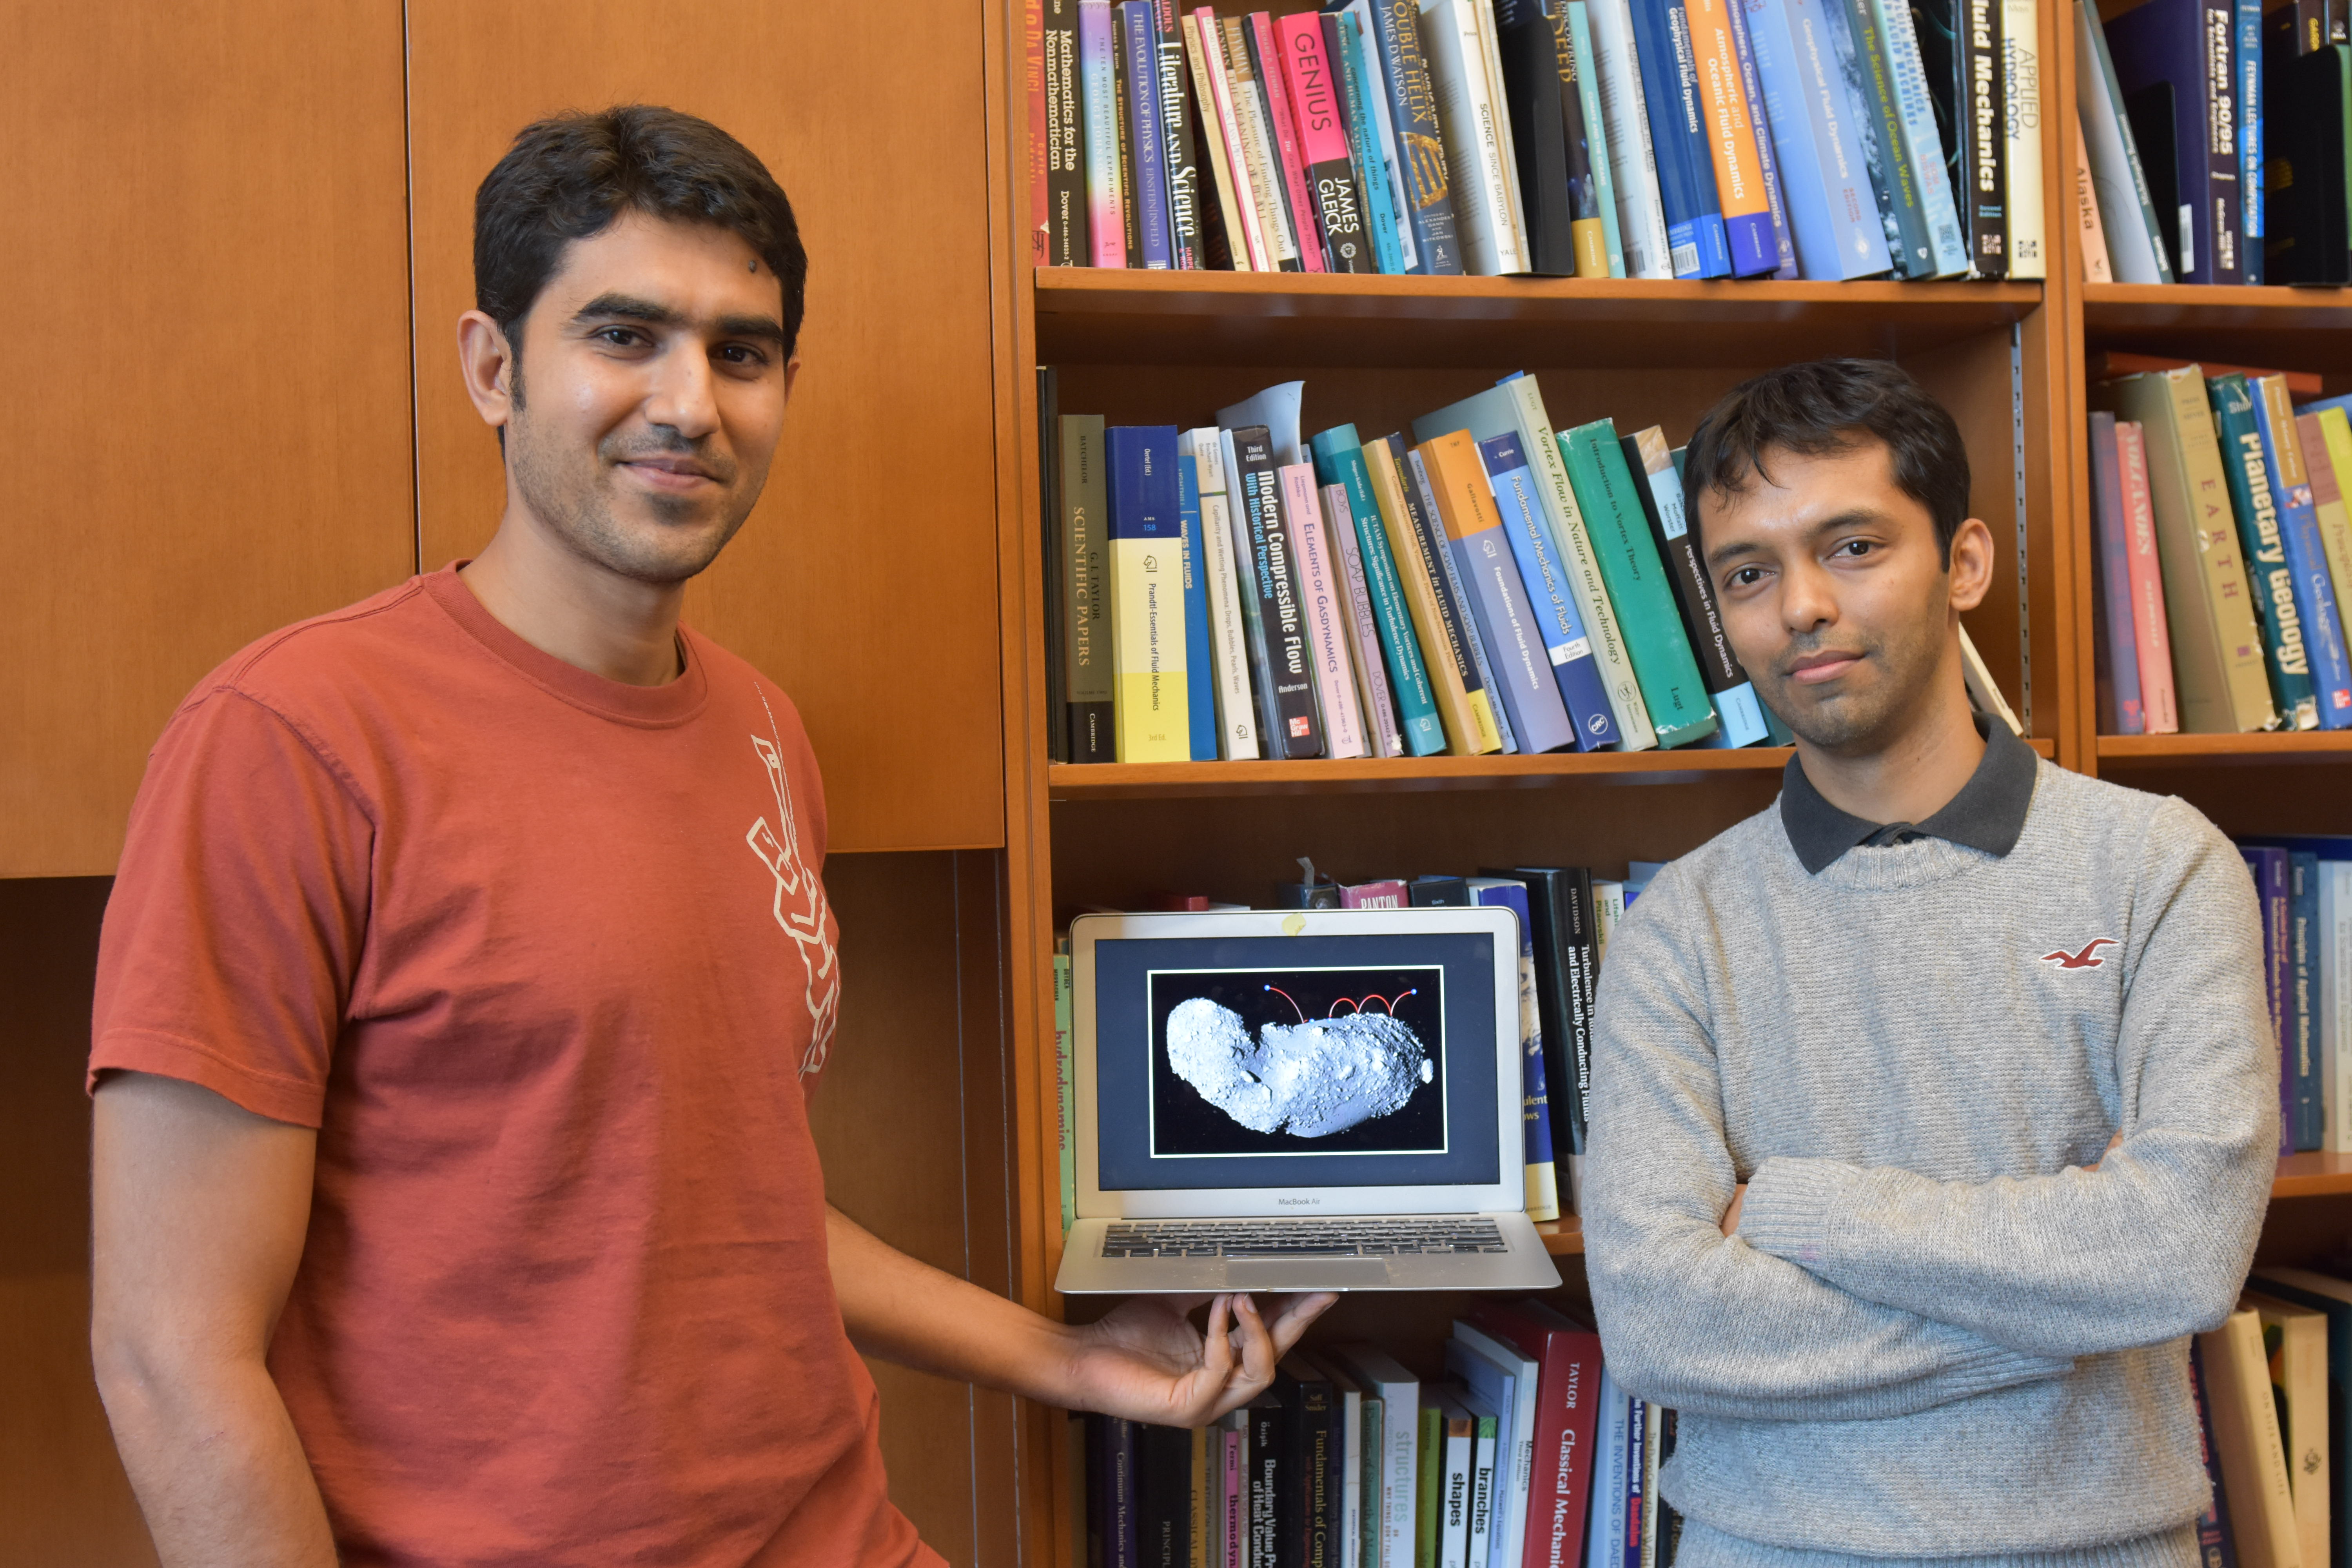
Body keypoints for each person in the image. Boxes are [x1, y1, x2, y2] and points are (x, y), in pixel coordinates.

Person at [87, 105, 1332, 1568]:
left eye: (741, 353)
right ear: (493, 368)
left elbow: (733, 1201)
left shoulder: (762, 728)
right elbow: (172, 1357)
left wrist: (1067, 1359)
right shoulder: (292, 741)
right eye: (623, 336)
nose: (689, 403)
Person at [1582, 359, 2276, 1567]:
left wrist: (1798, 1211)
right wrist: (2066, 1306)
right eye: (1749, 573)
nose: (1801, 606)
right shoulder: (1679, 928)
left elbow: (2180, 1252)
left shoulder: (2159, 867)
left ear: (1964, 563)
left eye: (1852, 547)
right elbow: (1661, 1324)